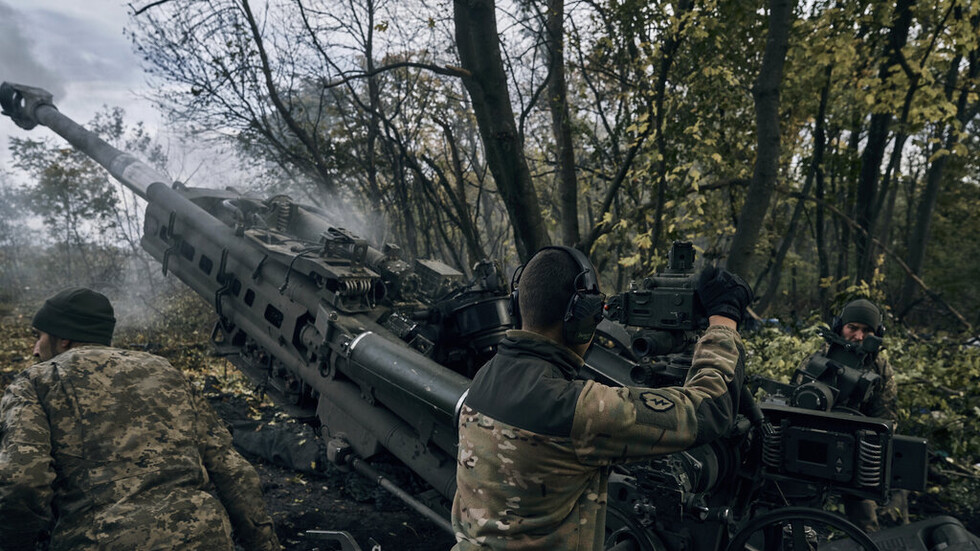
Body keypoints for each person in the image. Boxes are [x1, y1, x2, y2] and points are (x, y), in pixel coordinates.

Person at [450, 247, 751, 550]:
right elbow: (708, 409)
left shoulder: (487, 375)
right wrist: (724, 320)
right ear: (582, 319)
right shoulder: (576, 410)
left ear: (518, 306)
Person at [0, 287, 282, 551]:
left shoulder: (36, 382)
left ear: (63, 338)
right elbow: (233, 472)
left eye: (39, 336)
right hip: (202, 537)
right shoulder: (166, 372)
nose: (35, 349)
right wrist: (266, 546)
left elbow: (23, 480)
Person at [802, 297, 906, 532]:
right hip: (816, 442)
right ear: (840, 327)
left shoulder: (880, 368)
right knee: (800, 509)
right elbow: (797, 405)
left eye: (867, 330)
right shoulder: (818, 360)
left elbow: (886, 417)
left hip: (860, 446)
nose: (859, 337)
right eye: (853, 328)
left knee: (869, 513)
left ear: (877, 333)